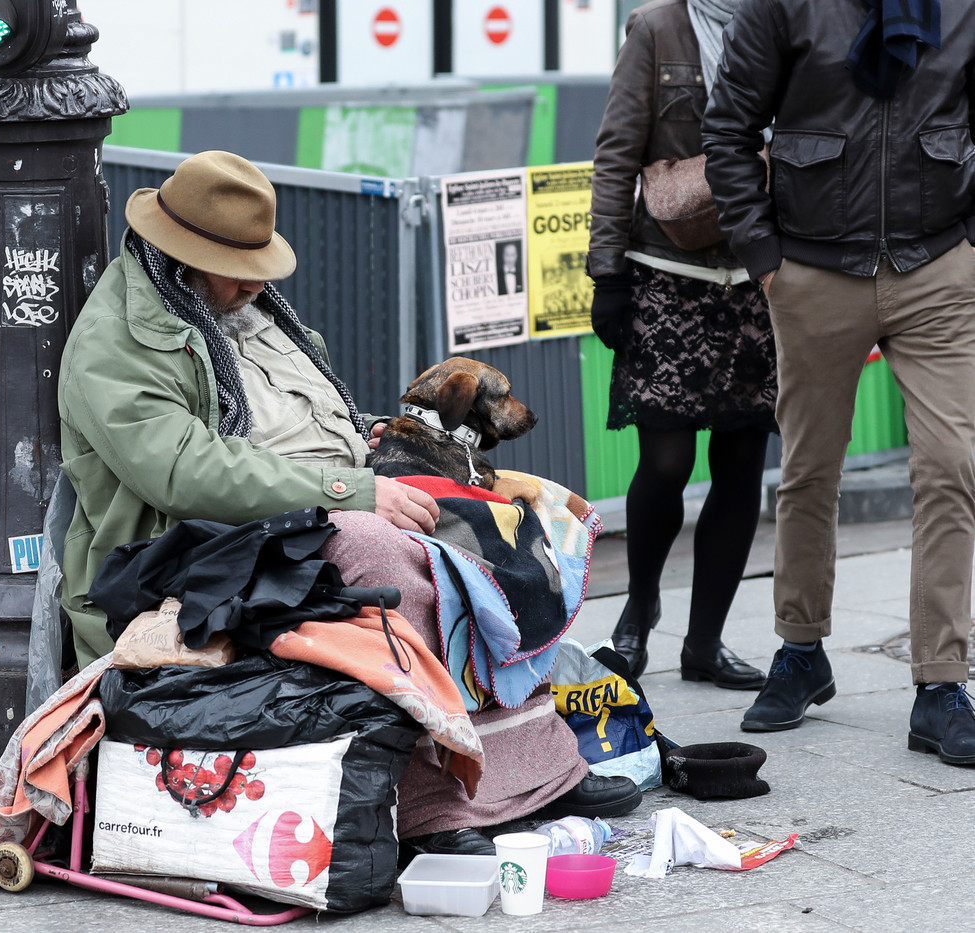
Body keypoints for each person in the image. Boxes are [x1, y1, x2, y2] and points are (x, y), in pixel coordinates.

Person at [58, 150, 642, 858]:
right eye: (237, 266)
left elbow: (306, 412)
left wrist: (373, 443)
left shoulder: (235, 299)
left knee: (516, 525)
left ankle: (540, 769)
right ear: (182, 253)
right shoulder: (115, 340)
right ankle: (431, 803)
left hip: (316, 495)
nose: (253, 282)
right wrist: (350, 489)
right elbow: (183, 473)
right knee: (390, 560)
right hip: (197, 540)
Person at [702, 0, 975, 759]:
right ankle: (799, 650)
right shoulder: (780, 6)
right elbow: (726, 131)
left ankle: (940, 681)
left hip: (938, 265)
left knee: (952, 465)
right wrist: (765, 260)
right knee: (809, 469)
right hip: (812, 269)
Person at [587, 0, 777, 689]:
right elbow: (616, 152)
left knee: (740, 464)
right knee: (664, 462)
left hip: (758, 275)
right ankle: (637, 614)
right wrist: (606, 271)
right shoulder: (658, 26)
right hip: (665, 274)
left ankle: (705, 641)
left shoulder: (785, 19)